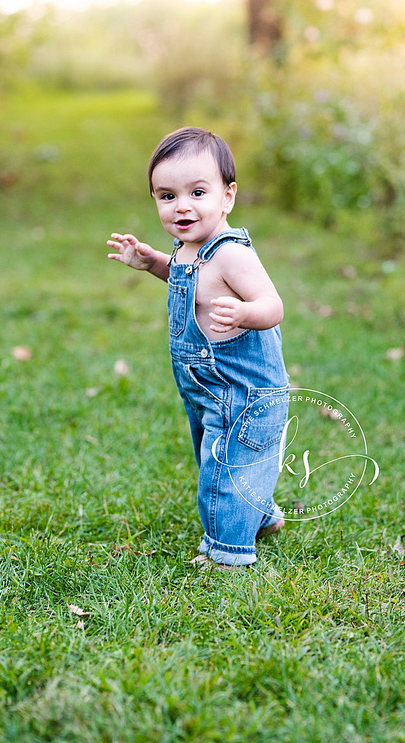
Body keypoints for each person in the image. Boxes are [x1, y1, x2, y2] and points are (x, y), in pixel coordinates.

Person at [106, 127, 289, 568]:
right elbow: (187, 281)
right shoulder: (189, 248)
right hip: (206, 388)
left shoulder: (231, 255)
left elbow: (273, 305)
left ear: (227, 197)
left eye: (197, 192)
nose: (181, 205)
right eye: (166, 196)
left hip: (243, 389)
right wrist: (151, 261)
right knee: (222, 458)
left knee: (223, 470)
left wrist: (246, 314)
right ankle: (261, 516)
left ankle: (228, 553)